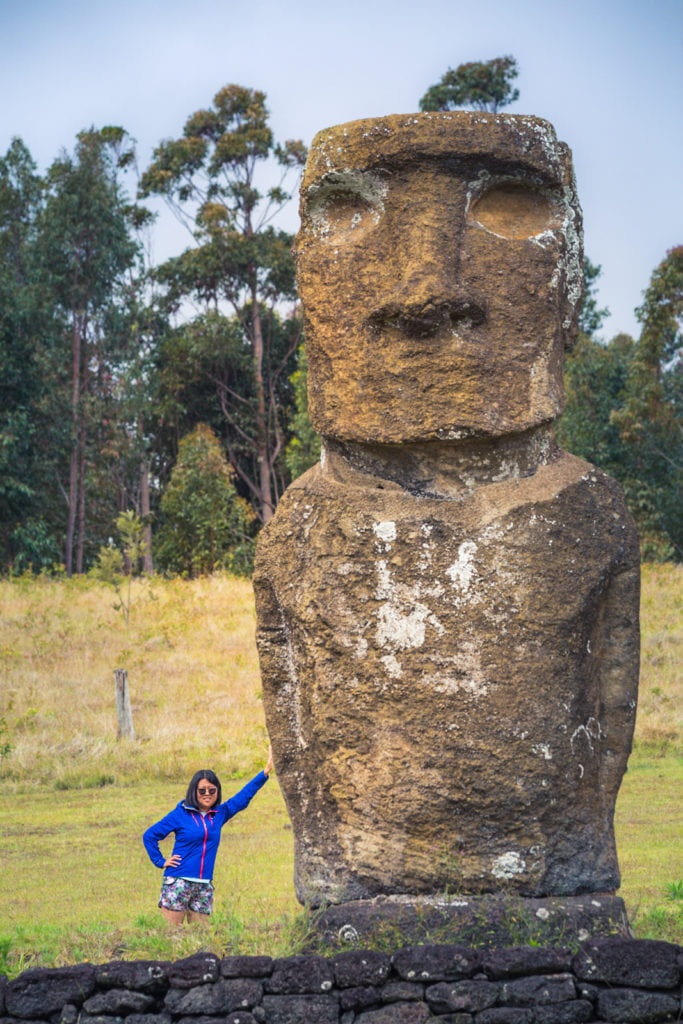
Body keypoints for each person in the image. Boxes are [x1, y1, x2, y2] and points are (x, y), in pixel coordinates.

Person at [143, 746, 274, 925]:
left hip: (204, 884)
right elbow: (149, 836)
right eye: (202, 790)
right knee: (173, 936)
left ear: (217, 792)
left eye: (212, 790)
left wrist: (265, 772)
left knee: (201, 938)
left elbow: (242, 798)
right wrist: (161, 861)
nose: (207, 794)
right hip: (178, 882)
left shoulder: (220, 813)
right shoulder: (180, 814)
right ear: (194, 791)